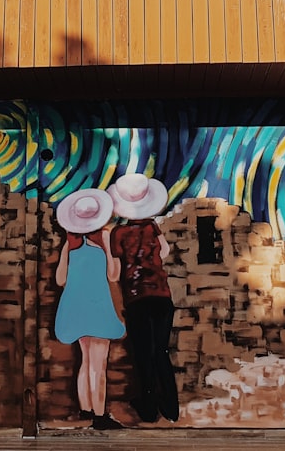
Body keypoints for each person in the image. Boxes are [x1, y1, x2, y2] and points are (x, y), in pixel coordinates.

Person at [107, 173, 180, 423]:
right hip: (162, 296)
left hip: (137, 298)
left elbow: (114, 272)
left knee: (142, 353)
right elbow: (167, 250)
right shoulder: (152, 227)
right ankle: (171, 407)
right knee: (161, 350)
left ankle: (148, 409)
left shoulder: (118, 233)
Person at [54, 188, 125, 430]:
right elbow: (113, 274)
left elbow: (60, 279)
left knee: (85, 361)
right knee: (99, 364)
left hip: (75, 306)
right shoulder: (104, 238)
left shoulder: (69, 244)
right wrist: (114, 259)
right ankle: (99, 415)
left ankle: (85, 407)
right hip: (98, 305)